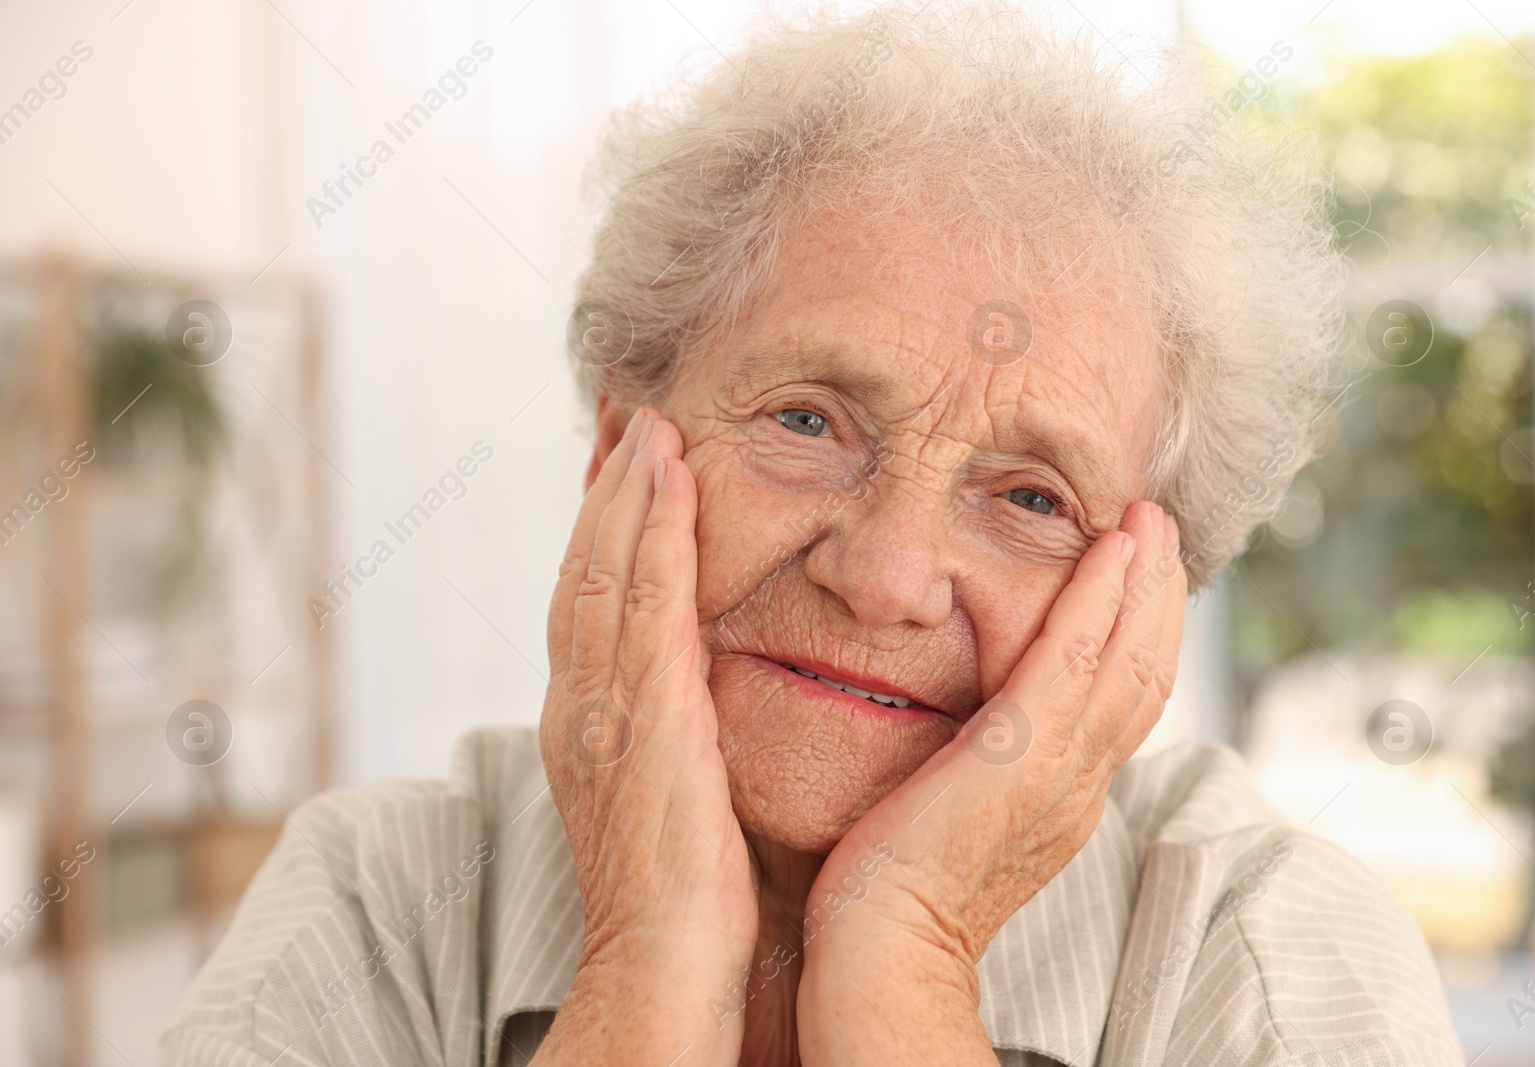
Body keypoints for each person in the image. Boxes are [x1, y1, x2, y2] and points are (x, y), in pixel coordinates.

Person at [162, 4, 1464, 1065]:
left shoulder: (1270, 949)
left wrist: (906, 958)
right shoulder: (378, 900)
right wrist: (643, 964)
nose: (887, 575)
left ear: (1142, 605)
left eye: (1029, 499)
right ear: (622, 447)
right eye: (807, 419)